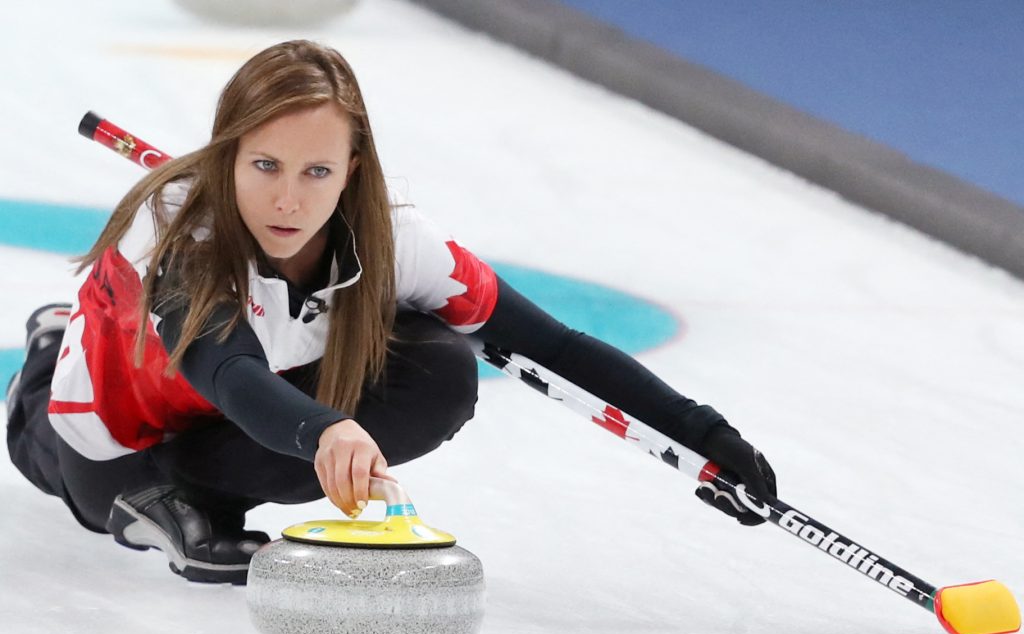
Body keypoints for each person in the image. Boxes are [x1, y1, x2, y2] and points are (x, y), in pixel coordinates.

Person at [5, 40, 777, 584]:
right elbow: (229, 372)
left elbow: (556, 346)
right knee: (88, 488)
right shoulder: (180, 239)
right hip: (119, 436)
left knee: (440, 368)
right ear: (229, 155)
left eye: (317, 171)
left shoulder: (398, 245)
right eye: (265, 165)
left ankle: (198, 490)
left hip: (252, 417)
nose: (288, 199)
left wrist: (704, 436)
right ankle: (41, 368)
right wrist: (327, 428)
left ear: (353, 171)